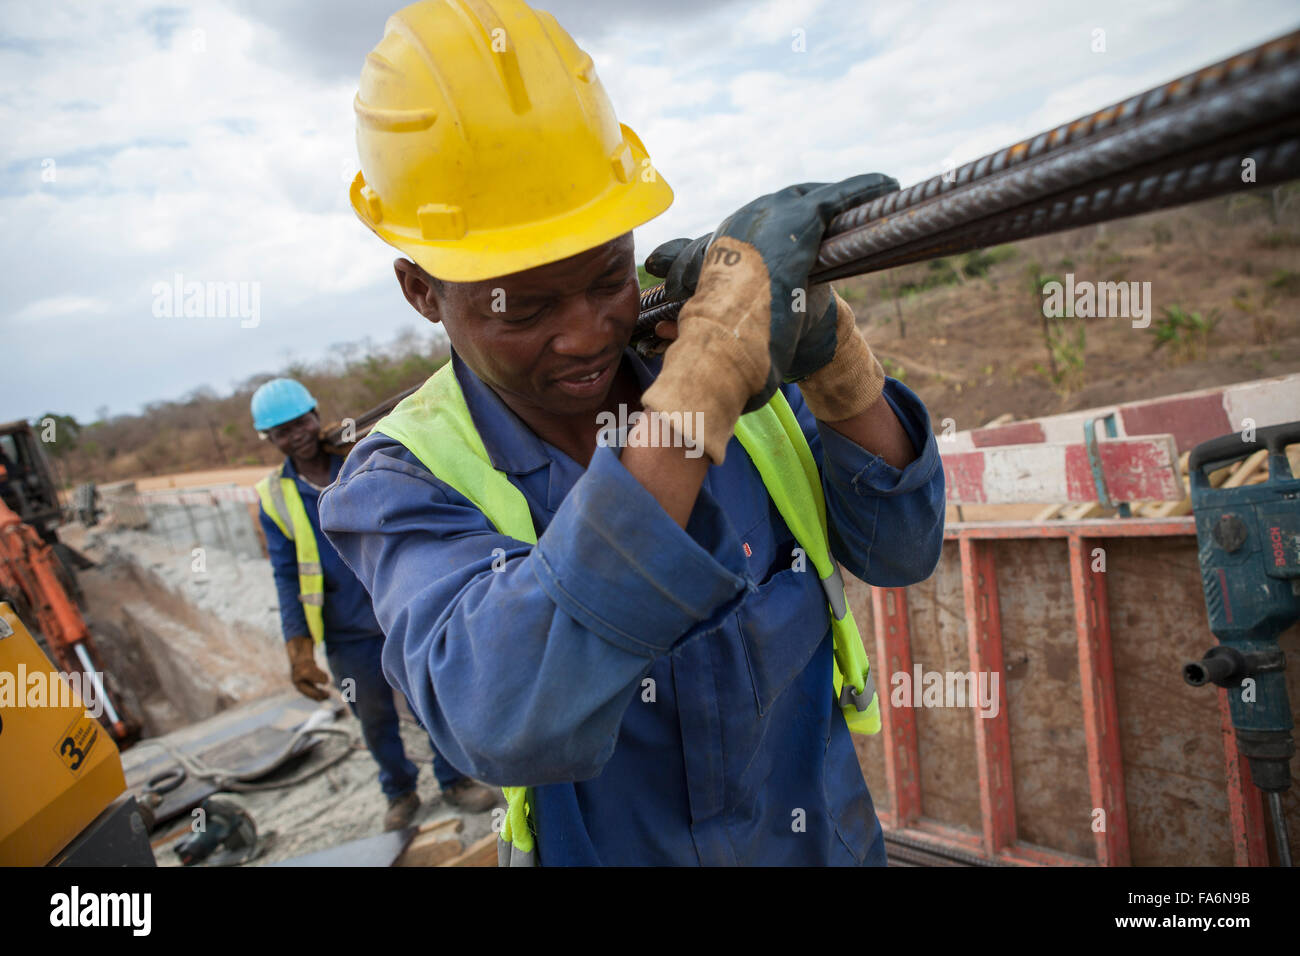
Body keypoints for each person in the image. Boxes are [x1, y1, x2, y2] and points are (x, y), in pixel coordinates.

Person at [320, 0, 945, 864]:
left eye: (608, 276)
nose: (583, 334)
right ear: (422, 291)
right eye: (525, 307)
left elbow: (902, 547)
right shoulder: (404, 482)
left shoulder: (728, 379)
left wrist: (834, 357)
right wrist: (699, 394)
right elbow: (499, 716)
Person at [250, 377, 500, 828]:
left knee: (429, 701)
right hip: (346, 629)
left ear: (314, 414)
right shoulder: (274, 496)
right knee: (374, 716)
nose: (297, 435)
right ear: (271, 440)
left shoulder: (360, 457)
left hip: (398, 608)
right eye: (283, 431)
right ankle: (400, 791)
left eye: (302, 422)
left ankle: (454, 780)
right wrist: (298, 645)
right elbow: (286, 573)